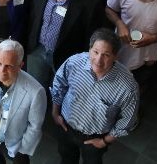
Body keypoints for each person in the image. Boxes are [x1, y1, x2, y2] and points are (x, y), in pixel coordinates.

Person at [51, 28, 139, 163]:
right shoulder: (74, 63)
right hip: (66, 127)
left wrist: (104, 141)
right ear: (89, 49)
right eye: (95, 52)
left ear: (115, 56)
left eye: (106, 55)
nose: (98, 60)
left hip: (96, 138)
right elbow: (59, 85)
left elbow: (127, 120)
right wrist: (55, 113)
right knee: (66, 158)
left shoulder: (128, 86)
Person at [26, 0, 101, 89]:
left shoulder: (88, 2)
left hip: (65, 58)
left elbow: (89, 40)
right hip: (37, 51)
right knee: (34, 90)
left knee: (59, 95)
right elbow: (32, 15)